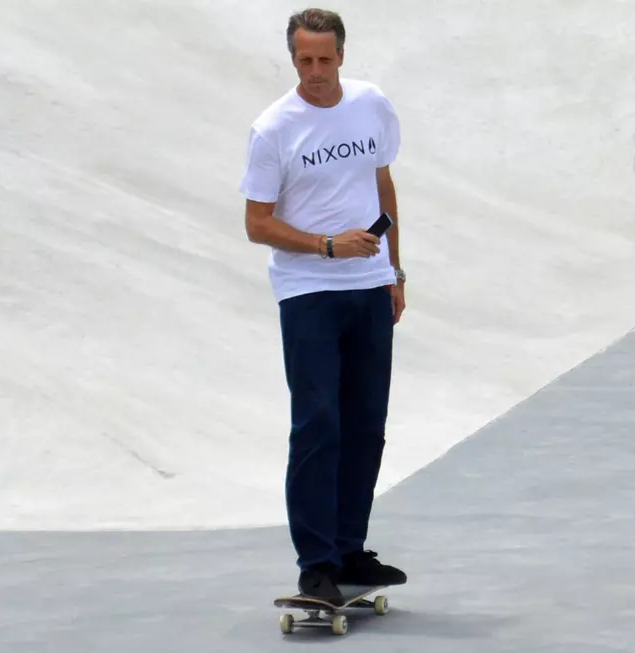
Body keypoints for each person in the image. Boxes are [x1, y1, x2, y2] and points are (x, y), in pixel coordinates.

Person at [239, 8, 408, 601]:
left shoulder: (371, 105)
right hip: (307, 292)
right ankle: (316, 564)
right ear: (293, 59)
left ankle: (350, 550)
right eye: (305, 60)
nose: (315, 71)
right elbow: (257, 224)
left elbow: (383, 184)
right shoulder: (274, 128)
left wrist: (395, 268)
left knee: (366, 423)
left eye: (325, 59)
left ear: (342, 56)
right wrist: (325, 247)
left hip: (370, 286)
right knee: (318, 424)